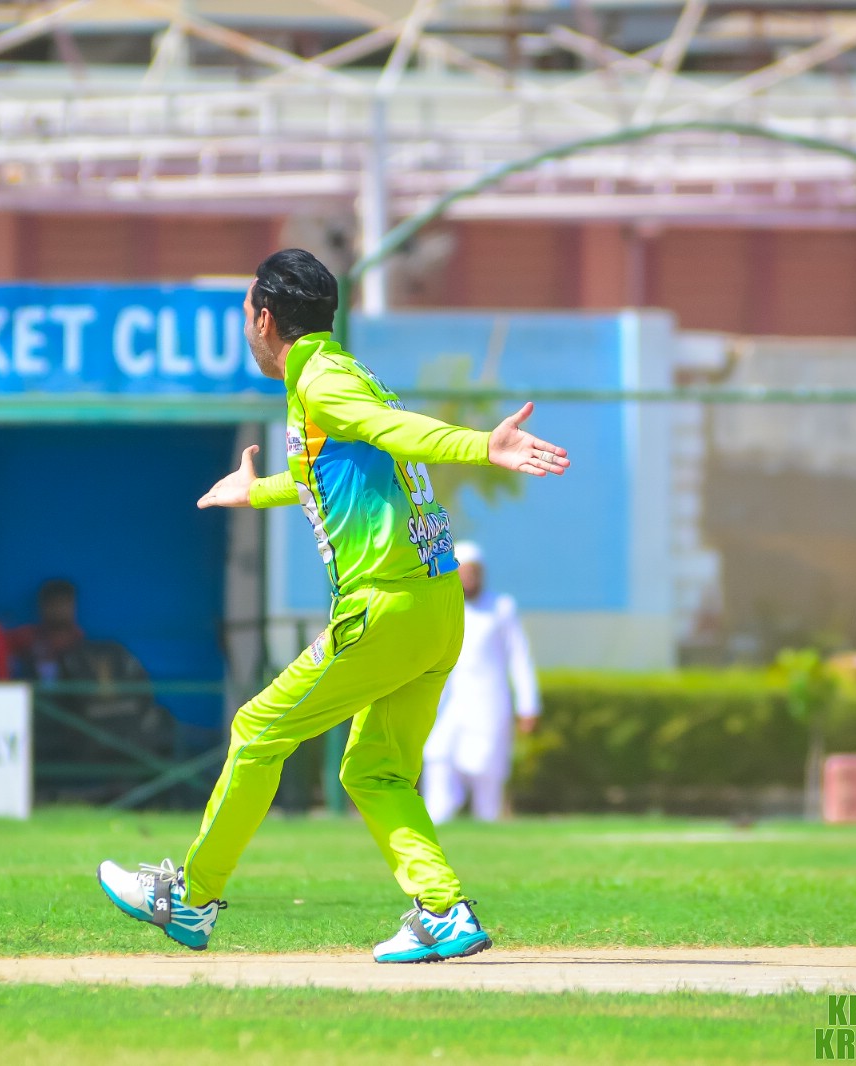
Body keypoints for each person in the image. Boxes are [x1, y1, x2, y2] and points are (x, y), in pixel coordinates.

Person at [96, 248, 568, 962]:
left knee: (256, 730)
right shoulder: (340, 371)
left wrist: (482, 446)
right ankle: (444, 912)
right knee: (374, 770)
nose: (246, 329)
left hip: (385, 607)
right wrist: (258, 491)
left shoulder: (319, 380)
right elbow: (339, 471)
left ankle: (191, 899)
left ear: (264, 319)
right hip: (435, 606)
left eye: (246, 315)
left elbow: (392, 433)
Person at [422, 542, 541, 824]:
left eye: (473, 572)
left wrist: (528, 706)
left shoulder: (501, 608)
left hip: (488, 704)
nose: (469, 577)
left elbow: (520, 659)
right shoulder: (442, 607)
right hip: (448, 704)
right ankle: (435, 823)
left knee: (485, 770)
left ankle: (487, 828)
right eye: (464, 571)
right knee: (438, 757)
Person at [8, 579, 85, 682]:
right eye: (54, 604)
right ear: (42, 606)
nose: (60, 610)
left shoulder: (80, 640)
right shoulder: (27, 637)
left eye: (65, 603)